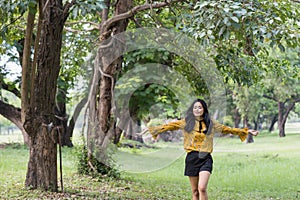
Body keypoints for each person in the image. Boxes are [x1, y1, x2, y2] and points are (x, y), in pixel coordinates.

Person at [140, 99, 259, 200]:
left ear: (204, 110)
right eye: (195, 107)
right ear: (192, 110)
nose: (197, 109)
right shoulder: (185, 122)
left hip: (205, 158)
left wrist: (246, 131)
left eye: (200, 107)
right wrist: (151, 129)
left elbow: (226, 129)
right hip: (191, 158)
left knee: (202, 188)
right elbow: (168, 126)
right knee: (195, 192)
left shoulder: (211, 123)